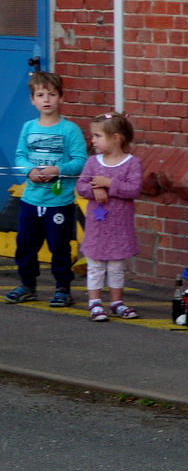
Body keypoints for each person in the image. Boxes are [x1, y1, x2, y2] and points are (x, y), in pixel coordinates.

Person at [7, 71, 87, 307]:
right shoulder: (28, 127)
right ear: (33, 100)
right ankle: (27, 285)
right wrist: (29, 171)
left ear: (60, 97)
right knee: (26, 244)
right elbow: (20, 156)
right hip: (31, 200)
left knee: (59, 247)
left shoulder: (69, 130)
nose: (46, 99)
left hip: (59, 201)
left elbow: (80, 161)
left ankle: (63, 288)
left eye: (52, 94)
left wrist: (57, 170)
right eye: (40, 95)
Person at [76, 112, 144, 321]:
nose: (92, 140)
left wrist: (109, 184)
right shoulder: (93, 163)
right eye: (93, 136)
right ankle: (95, 303)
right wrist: (93, 190)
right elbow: (81, 185)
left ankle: (116, 302)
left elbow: (134, 190)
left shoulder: (132, 163)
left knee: (116, 266)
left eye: (98, 136)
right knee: (95, 265)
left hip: (119, 227)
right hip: (98, 227)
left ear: (116, 138)